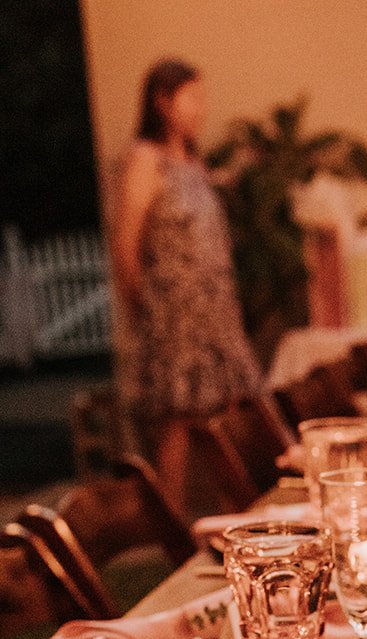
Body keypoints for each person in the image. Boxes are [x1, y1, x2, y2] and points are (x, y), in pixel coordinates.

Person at [112, 60, 262, 515]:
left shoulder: (194, 163)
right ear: (162, 101)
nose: (201, 109)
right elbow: (126, 246)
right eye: (191, 98)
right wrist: (148, 309)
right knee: (178, 427)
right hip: (175, 316)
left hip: (216, 312)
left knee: (226, 423)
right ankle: (172, 532)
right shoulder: (145, 160)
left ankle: (230, 525)